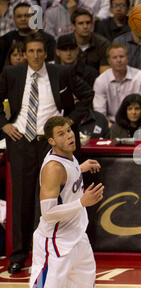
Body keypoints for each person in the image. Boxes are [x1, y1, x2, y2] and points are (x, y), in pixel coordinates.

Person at [0, 33, 94, 274]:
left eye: (39, 51)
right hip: (20, 140)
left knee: (50, 200)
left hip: (50, 143)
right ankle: (18, 255)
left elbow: (87, 95)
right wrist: (3, 124)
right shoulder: (12, 74)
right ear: (24, 53)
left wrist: (70, 121)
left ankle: (49, 251)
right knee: (21, 200)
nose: (35, 55)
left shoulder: (60, 72)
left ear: (46, 53)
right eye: (31, 51)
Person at [29, 116, 104, 288]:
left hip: (78, 237)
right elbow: (48, 214)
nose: (69, 136)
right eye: (61, 134)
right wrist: (82, 202)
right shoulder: (53, 168)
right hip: (55, 244)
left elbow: (66, 180)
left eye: (68, 131)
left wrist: (81, 167)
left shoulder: (69, 157)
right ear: (52, 141)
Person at [93, 43, 141, 126]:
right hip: (111, 125)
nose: (118, 60)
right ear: (109, 61)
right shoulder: (101, 81)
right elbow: (99, 112)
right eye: (114, 57)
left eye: (121, 56)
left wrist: (136, 126)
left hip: (138, 124)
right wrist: (113, 129)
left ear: (127, 58)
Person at [0, 2, 56, 72]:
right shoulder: (5, 40)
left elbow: (51, 65)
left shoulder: (47, 39)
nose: (23, 19)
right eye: (19, 16)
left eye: (27, 16)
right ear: (14, 19)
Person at [66, 8, 111, 73]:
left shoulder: (103, 44)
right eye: (81, 23)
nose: (85, 26)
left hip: (96, 81)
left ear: (92, 24)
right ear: (73, 26)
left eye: (88, 23)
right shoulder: (65, 43)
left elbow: (104, 75)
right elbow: (58, 71)